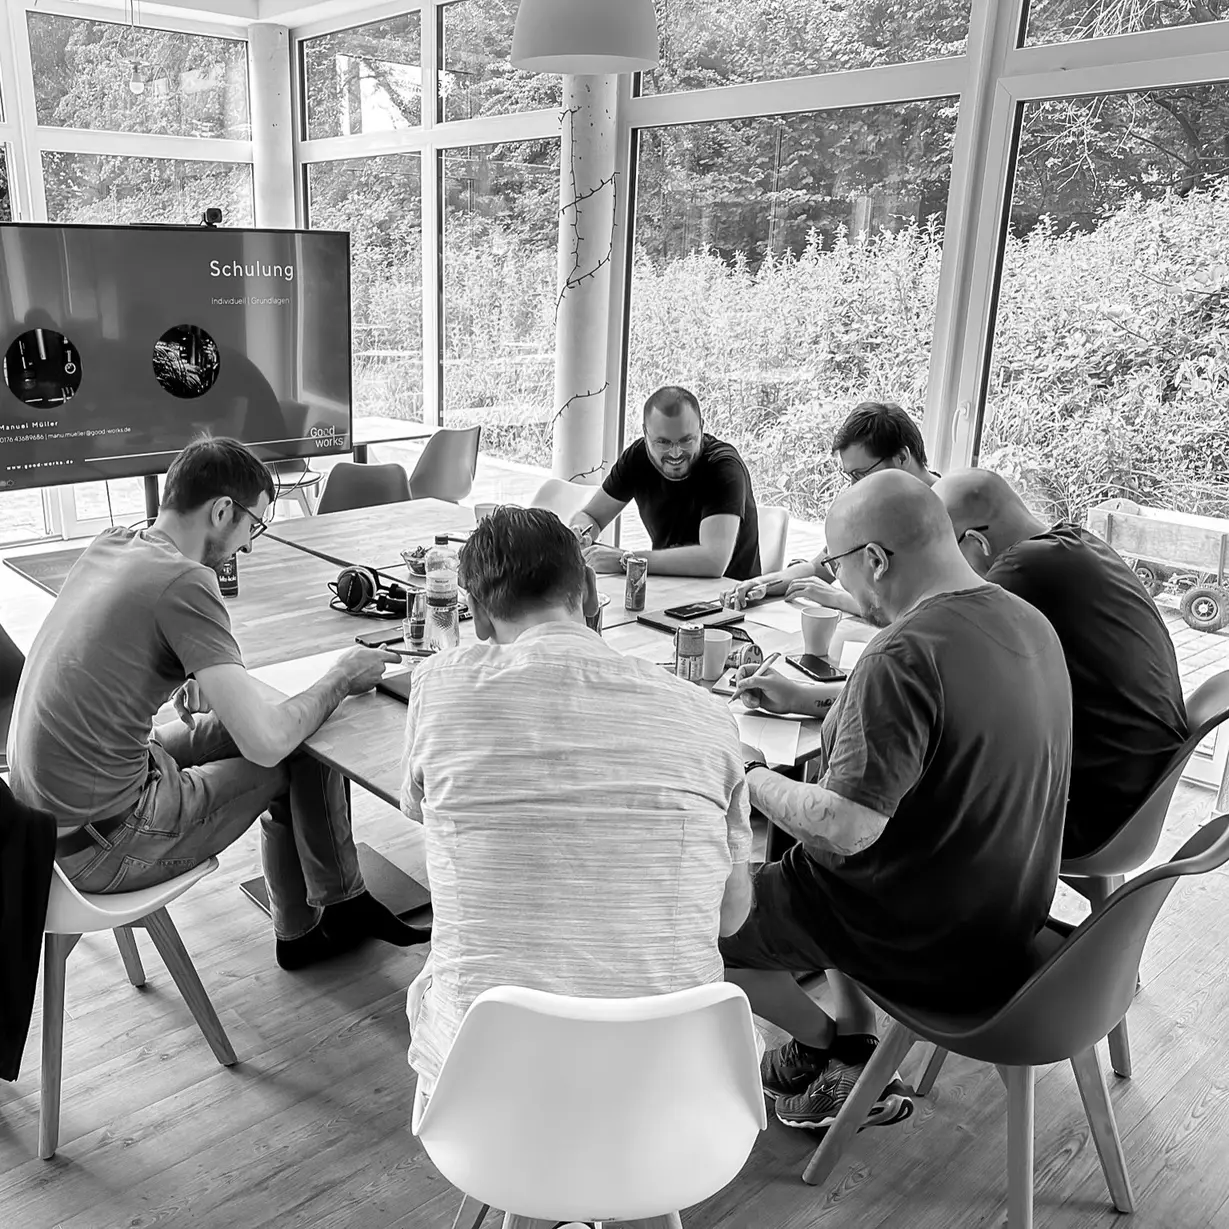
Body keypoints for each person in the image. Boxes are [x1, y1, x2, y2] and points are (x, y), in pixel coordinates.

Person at [723, 470, 1070, 1132]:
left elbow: (846, 830)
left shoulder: (901, 654)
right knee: (802, 832)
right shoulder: (1027, 619)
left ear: (876, 560)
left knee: (700, 918)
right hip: (1008, 914)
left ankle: (831, 1048)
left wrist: (748, 772)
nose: (842, 583)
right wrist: (816, 704)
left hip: (921, 941)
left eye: (838, 565)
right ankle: (855, 1039)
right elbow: (938, 723)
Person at [7, 436, 429, 971]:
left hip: (39, 825)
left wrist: (188, 671)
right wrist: (342, 676)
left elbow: (110, 652)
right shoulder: (185, 581)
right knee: (294, 745)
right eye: (253, 524)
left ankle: (328, 912)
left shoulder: (112, 544)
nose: (248, 546)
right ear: (223, 510)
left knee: (290, 721)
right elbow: (267, 742)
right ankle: (319, 919)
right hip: (102, 845)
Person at [400, 506, 754, 1095]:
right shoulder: (709, 717)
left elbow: (420, 813)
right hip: (675, 1091)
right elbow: (730, 918)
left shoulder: (438, 686)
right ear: (591, 592)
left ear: (478, 616)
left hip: (482, 1096)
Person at [935, 468, 1188, 859]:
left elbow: (937, 666)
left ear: (976, 543)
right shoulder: (1078, 543)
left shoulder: (1020, 572)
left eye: (945, 551)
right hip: (1138, 793)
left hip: (1095, 813)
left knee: (922, 791)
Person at [724, 400, 937, 612]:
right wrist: (763, 583)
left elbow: (923, 609)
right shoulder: (878, 503)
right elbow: (819, 567)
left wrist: (837, 597)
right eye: (849, 476)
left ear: (901, 457)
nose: (854, 487)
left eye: (860, 474)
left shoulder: (948, 509)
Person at [569, 385, 761, 581]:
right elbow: (591, 516)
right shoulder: (637, 458)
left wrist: (625, 560)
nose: (675, 453)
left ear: (701, 428)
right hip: (666, 585)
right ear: (645, 433)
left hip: (729, 593)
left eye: (686, 440)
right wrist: (580, 533)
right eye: (663, 442)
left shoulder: (724, 467)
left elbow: (713, 561)